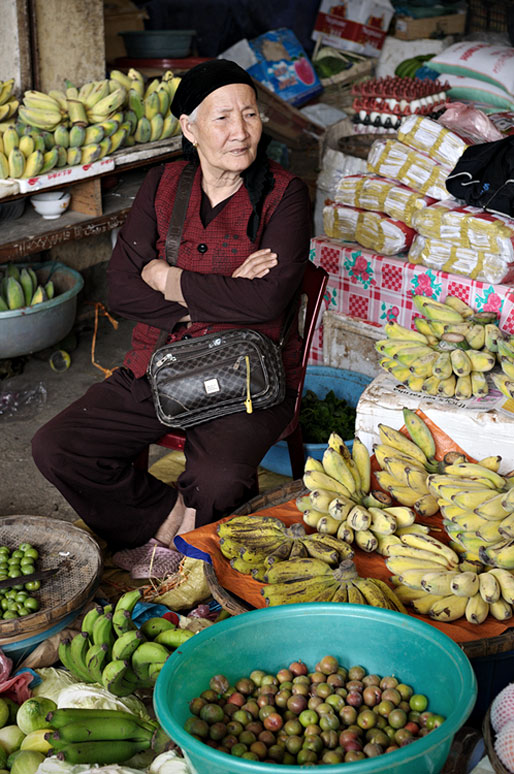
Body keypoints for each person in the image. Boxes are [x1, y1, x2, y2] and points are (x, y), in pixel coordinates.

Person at [32, 59, 312, 578]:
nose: (240, 131)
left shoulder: (285, 194)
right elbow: (120, 288)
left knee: (218, 480)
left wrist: (167, 277)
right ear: (190, 128)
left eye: (249, 115)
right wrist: (223, 291)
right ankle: (164, 521)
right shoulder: (162, 185)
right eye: (223, 118)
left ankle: (195, 545)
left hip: (246, 375)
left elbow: (267, 303)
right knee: (57, 446)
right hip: (158, 362)